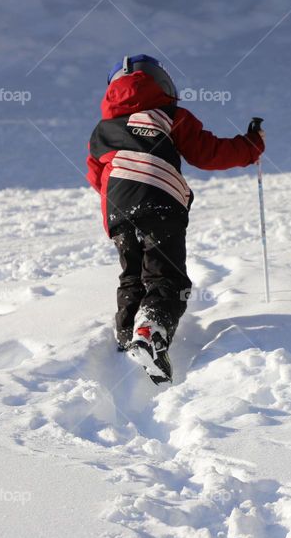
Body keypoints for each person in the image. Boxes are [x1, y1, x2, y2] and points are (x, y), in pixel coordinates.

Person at [86, 54, 265, 383]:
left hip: (118, 210)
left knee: (132, 276)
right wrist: (250, 146)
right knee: (168, 278)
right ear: (162, 83)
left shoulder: (103, 129)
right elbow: (207, 153)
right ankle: (150, 331)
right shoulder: (170, 115)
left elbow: (96, 175)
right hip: (159, 203)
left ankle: (127, 340)